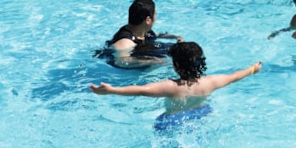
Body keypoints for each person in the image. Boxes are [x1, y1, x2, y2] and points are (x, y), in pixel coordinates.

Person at [90, 41, 262, 115]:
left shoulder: (172, 87)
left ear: (176, 66)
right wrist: (253, 69)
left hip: (172, 120)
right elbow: (233, 76)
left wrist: (112, 90)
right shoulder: (210, 82)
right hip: (200, 114)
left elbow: (142, 90)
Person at [103, 0, 182, 68]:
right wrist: (153, 61)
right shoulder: (125, 42)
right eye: (155, 14)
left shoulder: (141, 29)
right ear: (148, 20)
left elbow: (154, 35)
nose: (155, 18)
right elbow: (121, 61)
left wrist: (174, 36)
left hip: (143, 49)